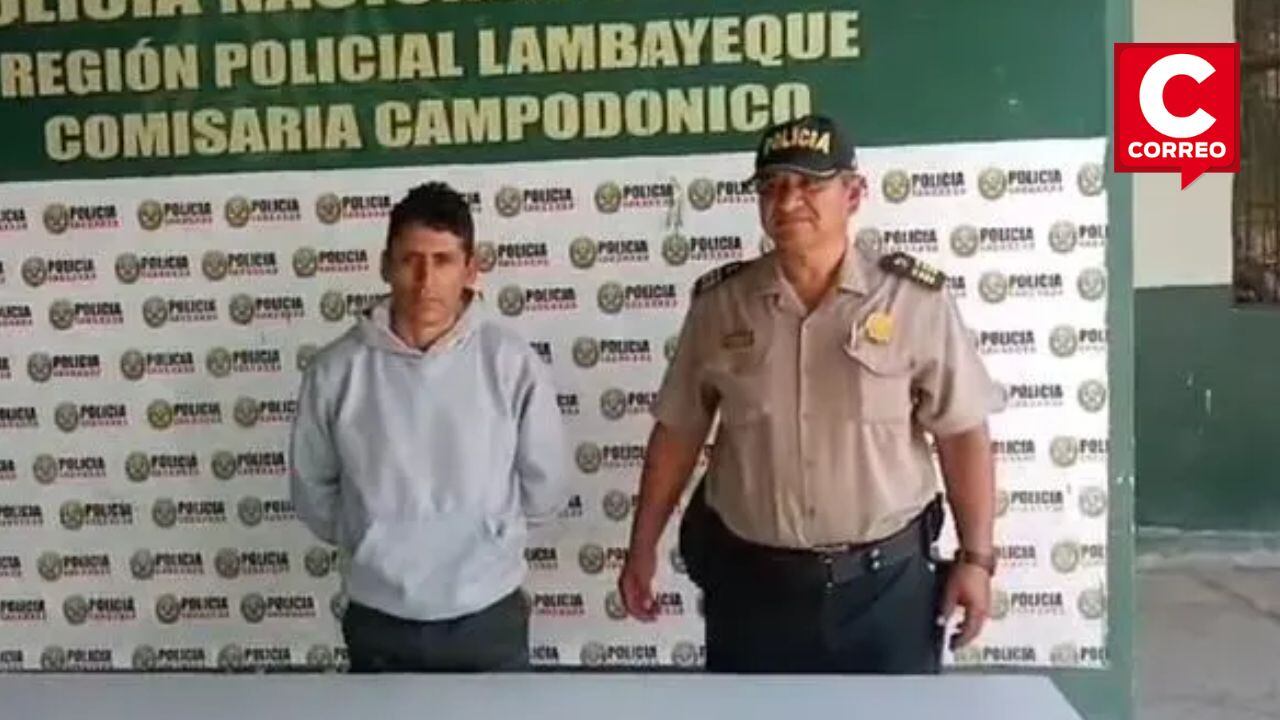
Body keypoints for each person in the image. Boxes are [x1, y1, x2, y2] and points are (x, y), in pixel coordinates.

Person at [618, 115, 999, 674]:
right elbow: (678, 433)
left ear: (853, 195)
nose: (787, 200)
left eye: (809, 184)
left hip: (887, 590)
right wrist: (641, 546)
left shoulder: (913, 302)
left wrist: (976, 559)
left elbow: (963, 434)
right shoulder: (720, 307)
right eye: (771, 186)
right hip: (753, 591)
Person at [289, 181, 567, 672]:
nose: (425, 281)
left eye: (442, 261)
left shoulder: (511, 363)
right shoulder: (335, 371)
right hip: (379, 616)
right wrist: (373, 540)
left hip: (487, 612)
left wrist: (489, 539)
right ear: (385, 265)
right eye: (410, 260)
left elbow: (545, 488)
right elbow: (314, 492)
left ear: (470, 269)